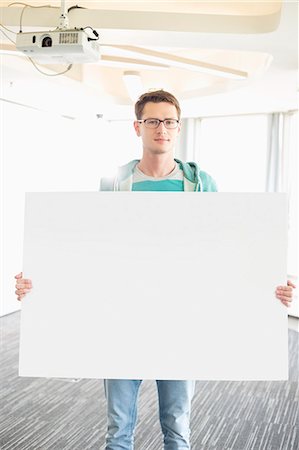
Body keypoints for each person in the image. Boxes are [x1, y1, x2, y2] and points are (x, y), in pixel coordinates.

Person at [15, 90, 295, 450]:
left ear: (178, 128)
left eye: (169, 121)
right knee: (118, 430)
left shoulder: (201, 185)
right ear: (137, 127)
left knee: (177, 429)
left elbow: (226, 251)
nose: (161, 128)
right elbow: (89, 249)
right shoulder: (114, 183)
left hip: (181, 322)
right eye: (152, 121)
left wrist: (268, 279)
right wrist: (41, 278)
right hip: (122, 320)